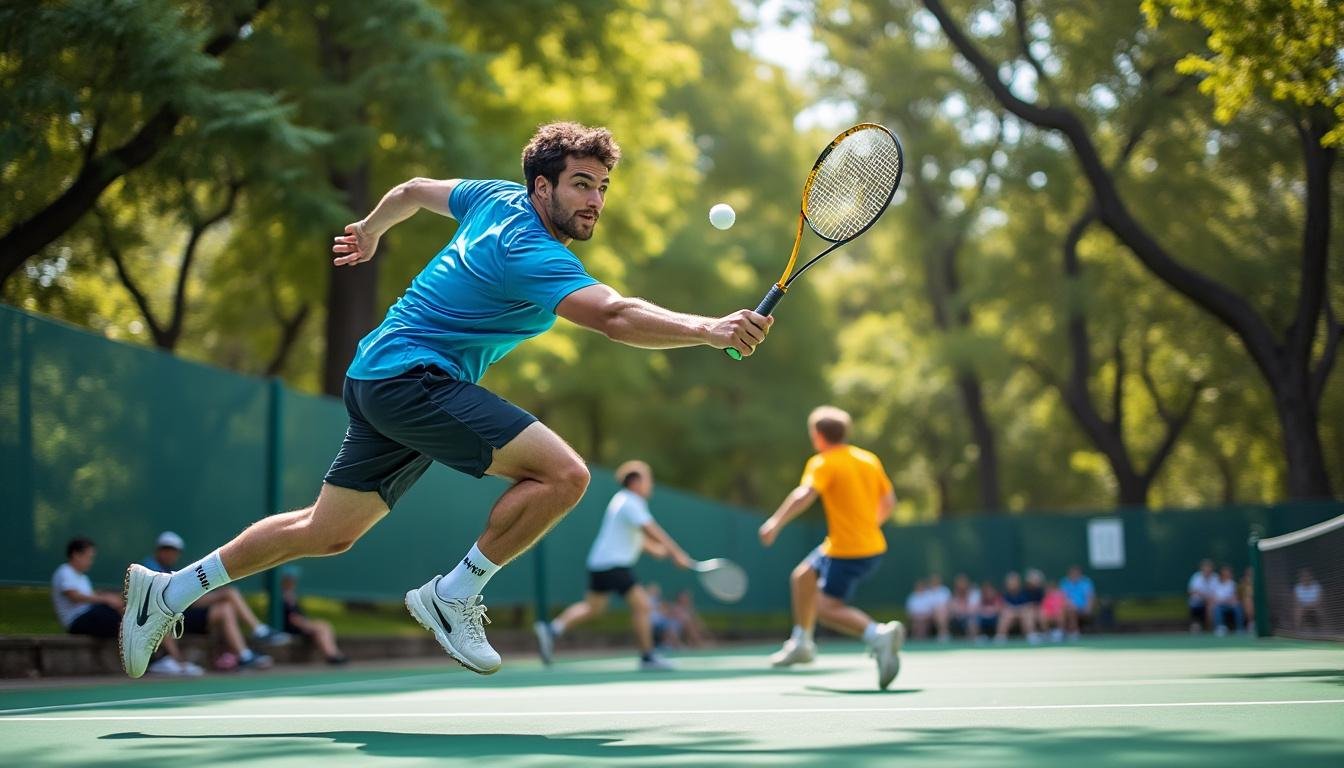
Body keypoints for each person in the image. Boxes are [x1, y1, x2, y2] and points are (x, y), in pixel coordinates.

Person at [118, 122, 772, 679]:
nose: (595, 199)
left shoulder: (491, 198)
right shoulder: (530, 249)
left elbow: (408, 191)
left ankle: (167, 590)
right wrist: (707, 329)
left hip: (377, 374)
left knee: (327, 533)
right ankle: (453, 594)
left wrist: (372, 231)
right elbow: (615, 317)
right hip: (412, 378)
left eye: (601, 186)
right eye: (581, 183)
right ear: (541, 187)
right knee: (565, 475)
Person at [758, 405, 904, 690]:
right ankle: (802, 643)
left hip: (848, 551)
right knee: (802, 577)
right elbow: (889, 502)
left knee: (824, 607)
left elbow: (805, 493)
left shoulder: (823, 462)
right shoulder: (868, 459)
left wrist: (775, 523)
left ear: (817, 435)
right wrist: (866, 525)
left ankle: (878, 635)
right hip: (860, 545)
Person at [533, 461, 693, 671]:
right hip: (614, 565)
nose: (650, 485)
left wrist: (654, 550)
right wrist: (677, 553)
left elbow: (632, 536)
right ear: (635, 482)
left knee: (593, 607)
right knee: (643, 606)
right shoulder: (631, 501)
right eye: (648, 480)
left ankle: (552, 630)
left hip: (600, 563)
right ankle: (648, 657)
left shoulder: (623, 501)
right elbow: (651, 529)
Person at [53, 537, 201, 676]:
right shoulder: (64, 571)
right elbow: (73, 595)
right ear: (76, 555)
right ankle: (160, 661)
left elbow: (87, 596)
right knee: (132, 620)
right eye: (88, 557)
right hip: (77, 621)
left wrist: (107, 597)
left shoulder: (82, 577)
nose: (90, 561)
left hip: (90, 616)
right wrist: (105, 599)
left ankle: (166, 660)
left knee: (139, 618)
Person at [142, 531, 279, 670]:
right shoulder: (150, 568)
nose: (170, 554)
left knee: (225, 607)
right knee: (229, 593)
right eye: (166, 549)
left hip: (185, 615)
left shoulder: (172, 571)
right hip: (170, 618)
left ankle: (244, 655)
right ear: (158, 550)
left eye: (174, 551)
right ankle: (258, 630)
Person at [280, 567, 347, 665]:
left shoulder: (292, 595)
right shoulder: (282, 596)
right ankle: (333, 655)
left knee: (320, 630)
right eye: (289, 579)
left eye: (293, 579)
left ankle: (333, 655)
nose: (292, 582)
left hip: (300, 625)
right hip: (292, 627)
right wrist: (306, 624)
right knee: (322, 626)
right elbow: (293, 619)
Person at [996, 571, 1037, 644]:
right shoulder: (1004, 594)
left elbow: (1028, 606)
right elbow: (1003, 607)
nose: (1013, 584)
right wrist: (1013, 611)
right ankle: (1001, 637)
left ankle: (1031, 635)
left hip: (1022, 615)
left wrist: (1018, 610)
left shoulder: (1025, 592)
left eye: (1014, 581)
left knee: (1028, 613)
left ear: (1018, 583)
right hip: (1010, 616)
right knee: (1006, 614)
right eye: (1011, 582)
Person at [1059, 565, 1096, 640]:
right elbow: (1063, 597)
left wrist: (1088, 607)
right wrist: (1069, 604)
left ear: (1080, 574)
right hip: (1068, 608)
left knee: (1071, 610)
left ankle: (1073, 632)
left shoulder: (1086, 582)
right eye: (1072, 573)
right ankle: (1062, 632)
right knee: (1068, 610)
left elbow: (1090, 597)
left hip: (1083, 608)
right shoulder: (1065, 582)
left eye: (1076, 573)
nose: (1074, 575)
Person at [1209, 564, 1243, 636]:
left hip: (1230, 605)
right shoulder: (1216, 584)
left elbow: (1235, 597)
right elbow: (1213, 598)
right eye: (1224, 573)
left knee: (1238, 607)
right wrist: (1219, 601)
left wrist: (1230, 601)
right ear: (1221, 574)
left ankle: (1240, 628)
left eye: (1228, 573)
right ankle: (1220, 627)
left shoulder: (1232, 583)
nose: (1226, 575)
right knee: (1217, 608)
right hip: (1220, 605)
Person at [947, 574, 981, 640]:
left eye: (963, 584)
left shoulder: (974, 594)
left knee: (972, 619)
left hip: (971, 617)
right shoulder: (954, 595)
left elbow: (972, 610)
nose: (961, 587)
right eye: (959, 585)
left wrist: (961, 611)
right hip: (956, 618)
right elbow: (951, 608)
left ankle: (973, 639)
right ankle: (944, 636)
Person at [1187, 559, 1217, 633]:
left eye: (1209, 567)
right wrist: (1203, 597)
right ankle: (1196, 624)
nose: (1207, 569)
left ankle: (1211, 627)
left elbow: (1217, 592)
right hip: (1198, 602)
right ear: (1202, 568)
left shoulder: (1215, 577)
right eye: (1205, 567)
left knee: (1211, 606)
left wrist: (1209, 600)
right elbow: (1191, 591)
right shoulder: (1196, 577)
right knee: (1194, 602)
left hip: (1212, 602)